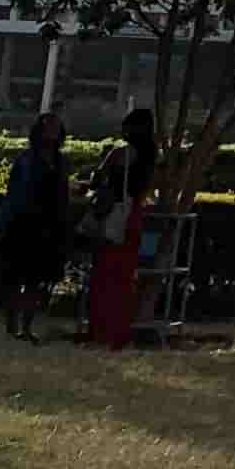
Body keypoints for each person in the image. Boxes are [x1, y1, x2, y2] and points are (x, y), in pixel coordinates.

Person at [76, 105, 160, 351]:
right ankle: (119, 331)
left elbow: (97, 179)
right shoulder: (150, 155)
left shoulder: (121, 153)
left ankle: (101, 329)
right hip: (133, 215)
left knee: (104, 274)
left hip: (114, 215)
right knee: (124, 277)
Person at [0, 113, 70, 344]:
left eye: (56, 127)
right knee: (16, 278)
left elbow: (61, 194)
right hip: (23, 224)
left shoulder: (60, 161)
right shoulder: (27, 159)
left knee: (36, 281)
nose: (52, 131)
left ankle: (26, 327)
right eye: (48, 127)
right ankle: (12, 323)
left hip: (49, 226)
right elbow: (16, 195)